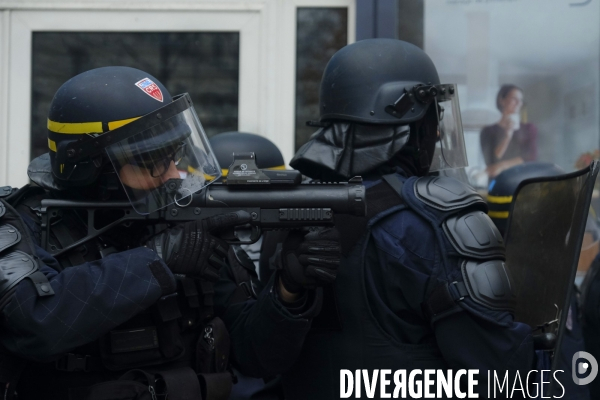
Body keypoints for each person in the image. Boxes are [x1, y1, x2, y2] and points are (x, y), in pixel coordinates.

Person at [0, 66, 338, 400]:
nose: (174, 175)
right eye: (153, 162)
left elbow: (256, 356)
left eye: (174, 155)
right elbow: (36, 323)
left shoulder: (177, 219)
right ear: (91, 168)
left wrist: (288, 290)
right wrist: (157, 260)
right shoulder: (22, 223)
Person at [263, 38, 536, 399]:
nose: (438, 132)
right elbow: (500, 374)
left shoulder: (291, 214)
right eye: (431, 119)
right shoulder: (432, 222)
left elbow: (259, 358)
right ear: (410, 124)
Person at [480, 84, 538, 178]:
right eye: (514, 99)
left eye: (521, 100)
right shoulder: (488, 131)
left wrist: (502, 166)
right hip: (497, 184)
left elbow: (531, 157)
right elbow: (491, 162)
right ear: (502, 101)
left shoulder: (529, 129)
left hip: (523, 181)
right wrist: (507, 137)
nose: (519, 103)